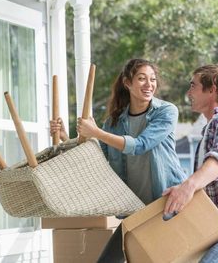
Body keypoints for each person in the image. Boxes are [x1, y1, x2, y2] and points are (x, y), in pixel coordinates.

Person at [74, 58, 186, 263]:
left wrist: (97, 132)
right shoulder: (113, 123)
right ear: (127, 83)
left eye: (152, 79)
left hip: (166, 206)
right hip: (135, 209)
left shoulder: (166, 111)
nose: (149, 84)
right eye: (141, 78)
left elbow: (140, 145)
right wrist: (66, 135)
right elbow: (99, 161)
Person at [163, 63, 218, 263]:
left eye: (193, 85)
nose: (189, 92)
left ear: (212, 88)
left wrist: (189, 186)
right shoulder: (209, 130)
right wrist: (182, 189)